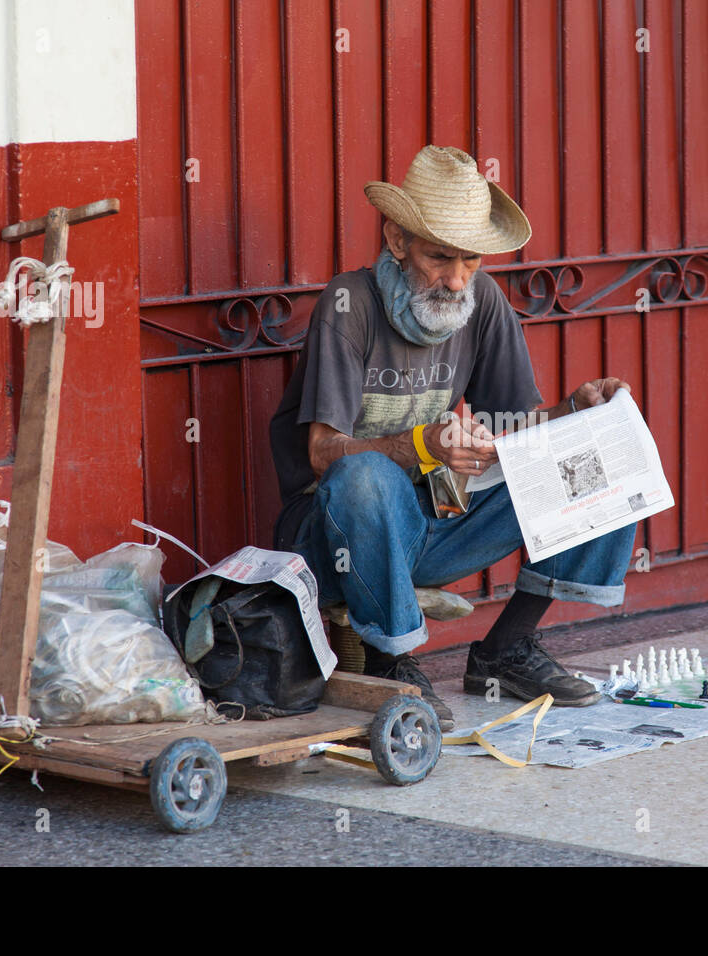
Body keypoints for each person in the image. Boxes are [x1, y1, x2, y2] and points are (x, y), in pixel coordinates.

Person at [269, 145, 636, 729]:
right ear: (397, 242)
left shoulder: (480, 300)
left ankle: (505, 651)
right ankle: (393, 661)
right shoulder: (349, 303)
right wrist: (422, 444)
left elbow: (513, 427)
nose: (457, 277)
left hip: (433, 522)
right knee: (367, 478)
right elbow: (321, 455)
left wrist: (574, 410)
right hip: (332, 531)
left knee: (592, 453)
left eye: (471, 259)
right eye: (440, 258)